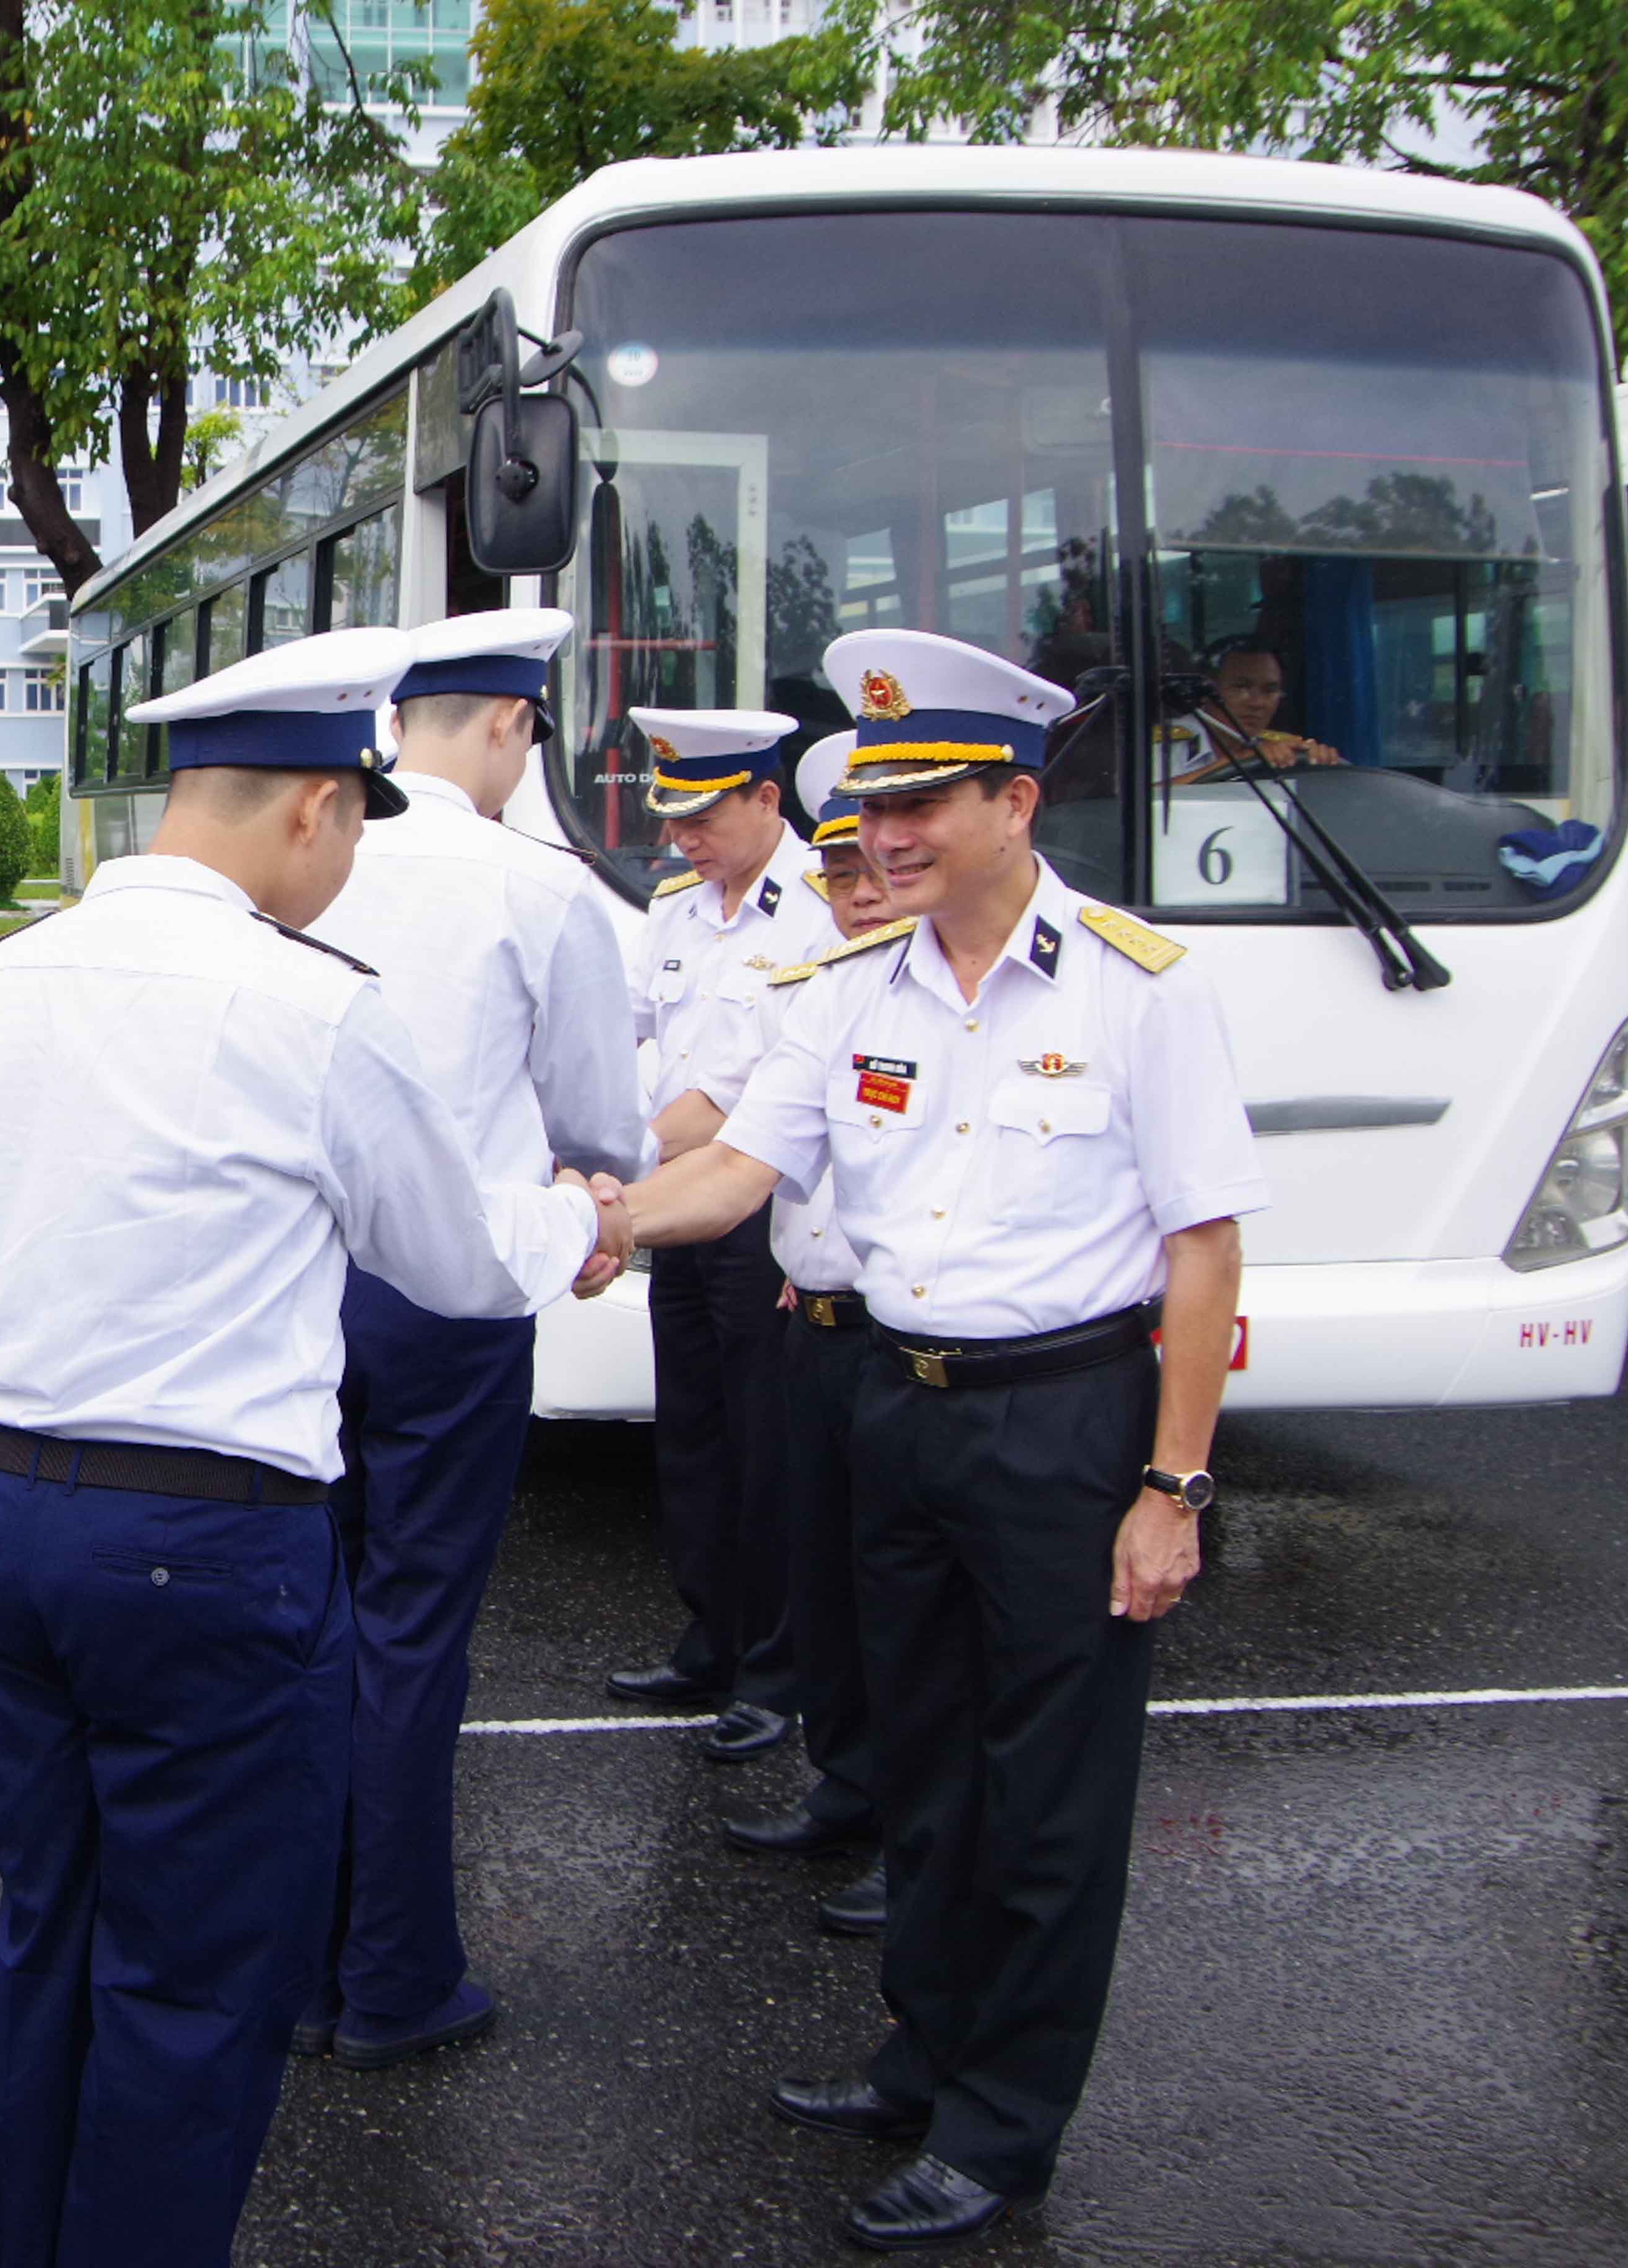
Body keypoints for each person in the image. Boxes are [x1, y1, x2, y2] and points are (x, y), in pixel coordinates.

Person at [0, 625, 634, 2267]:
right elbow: (456, 1260)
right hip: (210, 1546)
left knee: (50, 1935)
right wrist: (578, 1218)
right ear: (316, 807)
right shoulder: (310, 1006)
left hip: (10, 1517)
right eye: (355, 829)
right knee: (194, 1983)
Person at [606, 628, 1265, 2250]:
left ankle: (1002, 2126)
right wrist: (596, 1225)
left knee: (1047, 1798)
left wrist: (1174, 1485)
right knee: (922, 1767)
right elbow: (736, 1175)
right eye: (874, 809)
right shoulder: (846, 992)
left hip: (1068, 1426)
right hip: (900, 1410)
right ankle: (926, 2058)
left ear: (1016, 803)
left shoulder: (1137, 988)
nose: (885, 839)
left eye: (923, 807)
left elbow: (1205, 1249)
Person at [303, 608, 650, 2070]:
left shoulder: (310, 853)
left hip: (298, 1289)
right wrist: (595, 1203)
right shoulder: (537, 885)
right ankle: (390, 1979)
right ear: (511, 724)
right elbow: (598, 1123)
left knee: (311, 1624)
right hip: (452, 1301)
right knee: (411, 1634)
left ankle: (298, 1967)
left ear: (396, 724)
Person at [598, 707, 840, 1768]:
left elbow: (745, 1094)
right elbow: (625, 1035)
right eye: (672, 818)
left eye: (702, 818)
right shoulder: (677, 910)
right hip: (679, 1202)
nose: (680, 838)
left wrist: (617, 1174)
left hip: (760, 1213)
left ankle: (776, 1672)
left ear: (766, 800)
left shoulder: (824, 907)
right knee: (692, 1434)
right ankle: (711, 1639)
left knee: (767, 1448)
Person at [729, 734, 903, 1929]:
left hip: (909, 1349)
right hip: (818, 1325)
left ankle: (916, 1834)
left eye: (875, 872)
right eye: (837, 875)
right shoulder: (823, 996)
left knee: (906, 1603)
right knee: (824, 1578)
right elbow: (761, 1158)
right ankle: (846, 1784)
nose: (858, 896)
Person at [1165, 637, 1342, 781]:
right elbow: (1149, 802)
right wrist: (1235, 762)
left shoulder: (1281, 748)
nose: (1257, 703)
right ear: (1206, 691)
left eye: (1270, 690)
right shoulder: (1164, 745)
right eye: (1241, 687)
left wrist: (1320, 764)